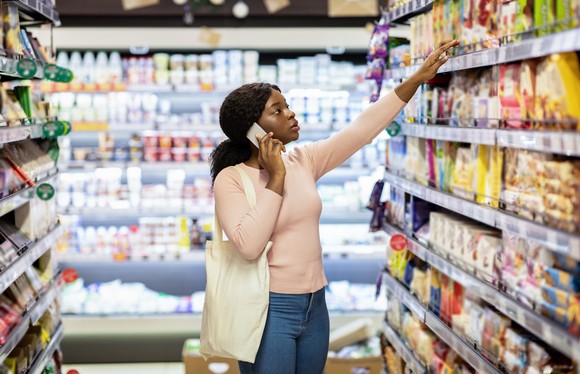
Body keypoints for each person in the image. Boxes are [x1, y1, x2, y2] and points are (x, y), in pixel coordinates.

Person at [209, 40, 459, 374]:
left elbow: (361, 130)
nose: (291, 113)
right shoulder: (232, 179)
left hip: (316, 304)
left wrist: (416, 78)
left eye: (287, 105)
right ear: (253, 131)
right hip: (267, 309)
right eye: (278, 110)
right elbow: (250, 246)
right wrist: (277, 177)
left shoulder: (303, 159)